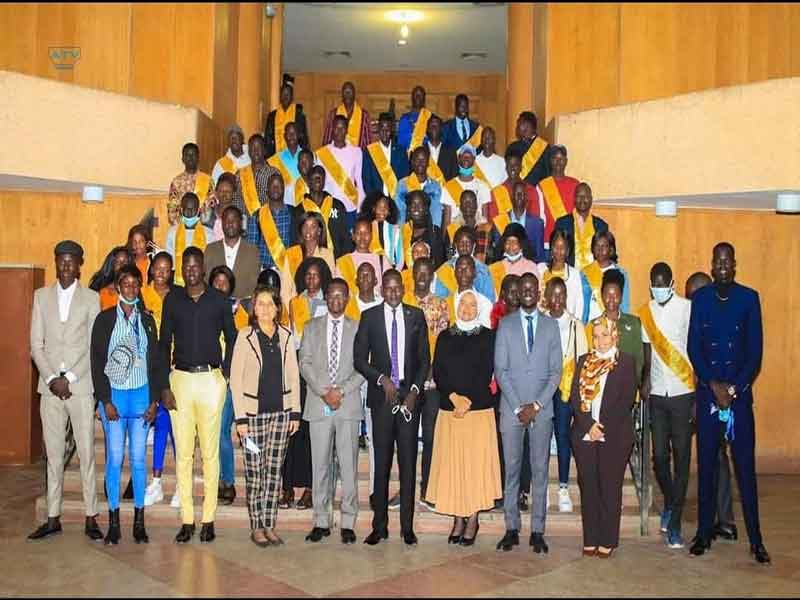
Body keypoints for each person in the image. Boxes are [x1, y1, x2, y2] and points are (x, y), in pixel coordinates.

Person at [687, 243, 770, 564]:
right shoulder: (702, 299)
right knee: (706, 468)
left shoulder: (749, 299)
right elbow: (694, 347)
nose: (722, 265)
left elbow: (755, 354)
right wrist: (712, 384)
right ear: (712, 264)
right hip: (709, 396)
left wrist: (733, 388)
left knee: (745, 470)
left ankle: (757, 541)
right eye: (717, 261)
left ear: (734, 265)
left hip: (738, 399)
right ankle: (703, 533)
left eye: (727, 261)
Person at [158, 246, 237, 544]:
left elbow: (232, 337)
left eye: (195, 266)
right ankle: (187, 520)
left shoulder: (219, 301)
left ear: (203, 268)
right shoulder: (173, 301)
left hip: (210, 381)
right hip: (179, 380)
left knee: (210, 453)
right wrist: (163, 385)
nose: (191, 270)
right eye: (186, 266)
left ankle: (209, 518)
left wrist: (226, 376)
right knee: (184, 456)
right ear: (182, 268)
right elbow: (164, 343)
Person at [28, 240, 104, 542]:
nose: (66, 266)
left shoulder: (91, 299)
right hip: (49, 389)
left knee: (86, 453)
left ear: (80, 264)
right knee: (54, 455)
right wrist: (51, 379)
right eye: (61, 261)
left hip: (81, 386)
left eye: (72, 261)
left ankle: (90, 516)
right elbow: (36, 345)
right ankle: (52, 517)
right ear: (56, 261)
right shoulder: (40, 297)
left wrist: (69, 377)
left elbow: (93, 345)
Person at [354, 269, 430, 546]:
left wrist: (414, 391)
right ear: (381, 289)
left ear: (403, 289)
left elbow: (424, 361)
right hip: (382, 402)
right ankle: (379, 526)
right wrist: (380, 378)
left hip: (409, 403)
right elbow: (359, 359)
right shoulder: (370, 317)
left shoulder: (415, 316)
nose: (394, 292)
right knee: (381, 466)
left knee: (408, 466)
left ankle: (407, 528)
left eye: (398, 288)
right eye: (389, 288)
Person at [90, 264, 160, 545]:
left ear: (139, 287)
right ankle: (114, 522)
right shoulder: (104, 320)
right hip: (115, 399)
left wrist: (155, 400)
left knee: (139, 461)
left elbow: (156, 362)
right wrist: (105, 400)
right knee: (116, 459)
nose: (130, 288)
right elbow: (96, 362)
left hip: (142, 396)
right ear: (118, 287)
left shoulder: (147, 320)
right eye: (125, 284)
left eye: (135, 284)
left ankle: (139, 523)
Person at [494, 272, 562, 554]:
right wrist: (520, 406)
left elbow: (556, 372)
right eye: (524, 288)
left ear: (539, 292)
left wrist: (536, 406)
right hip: (512, 410)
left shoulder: (550, 326)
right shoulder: (505, 325)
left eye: (533, 288)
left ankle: (537, 530)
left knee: (539, 471)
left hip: (541, 411)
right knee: (510, 470)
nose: (529, 292)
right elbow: (501, 369)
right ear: (519, 293)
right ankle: (511, 527)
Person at [230, 284, 301, 546]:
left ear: (277, 308)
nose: (265, 308)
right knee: (255, 471)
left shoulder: (285, 335)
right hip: (252, 417)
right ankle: (256, 525)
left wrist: (295, 411)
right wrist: (240, 419)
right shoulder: (244, 336)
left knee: (273, 472)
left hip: (281, 416)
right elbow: (235, 380)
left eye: (270, 303)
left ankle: (270, 525)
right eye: (260, 303)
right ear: (253, 308)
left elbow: (293, 374)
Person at [429, 290, 501, 545]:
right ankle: (457, 518)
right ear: (457, 306)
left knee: (474, 468)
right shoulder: (446, 337)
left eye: (472, 305)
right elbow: (438, 371)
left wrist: (467, 400)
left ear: (478, 309)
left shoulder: (488, 337)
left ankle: (472, 518)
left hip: (478, 411)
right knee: (454, 467)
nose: (467, 309)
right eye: (463, 304)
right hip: (451, 411)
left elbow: (488, 371)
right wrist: (453, 398)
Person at [300, 278, 366, 544]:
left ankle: (348, 521)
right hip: (319, 404)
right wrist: (324, 391)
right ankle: (321, 520)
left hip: (347, 404)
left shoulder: (359, 329)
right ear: (326, 297)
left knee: (348, 465)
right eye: (332, 295)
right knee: (320, 465)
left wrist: (341, 391)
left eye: (341, 295)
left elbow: (364, 365)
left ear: (347, 298)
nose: (336, 300)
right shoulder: (311, 327)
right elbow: (304, 362)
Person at [570, 316, 637, 558]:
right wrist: (588, 425)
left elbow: (626, 400)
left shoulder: (626, 363)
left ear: (615, 336)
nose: (600, 341)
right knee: (588, 488)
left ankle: (608, 539)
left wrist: (602, 427)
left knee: (610, 488)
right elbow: (575, 399)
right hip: (585, 435)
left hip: (614, 435)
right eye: (596, 336)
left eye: (605, 335)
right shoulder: (583, 361)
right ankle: (591, 538)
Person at [639, 262, 694, 549]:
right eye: (654, 283)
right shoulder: (645, 311)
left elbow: (693, 346)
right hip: (658, 393)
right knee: (659, 457)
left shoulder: (686, 308)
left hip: (683, 390)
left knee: (682, 458)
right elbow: (647, 350)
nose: (658, 287)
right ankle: (672, 501)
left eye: (663, 283)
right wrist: (645, 380)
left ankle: (674, 523)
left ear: (672, 283)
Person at [685, 272, 739, 543]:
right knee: (716, 456)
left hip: (715, 399)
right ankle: (721, 519)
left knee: (716, 455)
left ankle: (723, 521)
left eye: (692, 295)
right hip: (701, 397)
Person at [282, 257, 332, 510]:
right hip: (298, 376)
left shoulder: (330, 302)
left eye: (316, 275)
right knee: (294, 431)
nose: (312, 280)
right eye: (308, 276)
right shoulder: (295, 303)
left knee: (317, 434)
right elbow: (292, 340)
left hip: (322, 376)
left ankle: (313, 488)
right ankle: (288, 486)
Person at [401, 258, 450, 510]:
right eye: (417, 272)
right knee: (406, 437)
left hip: (431, 383)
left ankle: (427, 490)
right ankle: (405, 491)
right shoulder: (402, 302)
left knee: (430, 437)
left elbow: (442, 344)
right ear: (412, 275)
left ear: (432, 276)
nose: (421, 276)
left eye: (426, 272)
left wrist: (429, 373)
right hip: (406, 383)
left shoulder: (440, 305)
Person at [544, 276, 588, 513]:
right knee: (540, 439)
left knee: (562, 436)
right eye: (553, 294)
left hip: (565, 390)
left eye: (562, 295)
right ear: (546, 297)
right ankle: (540, 489)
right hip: (541, 389)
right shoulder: (540, 321)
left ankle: (563, 488)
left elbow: (582, 360)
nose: (557, 299)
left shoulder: (575, 325)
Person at [140, 252, 180, 508]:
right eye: (158, 268)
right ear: (152, 270)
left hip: (176, 365)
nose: (162, 273)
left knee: (173, 424)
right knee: (160, 423)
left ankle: (179, 484)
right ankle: (155, 483)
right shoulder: (142, 294)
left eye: (167, 269)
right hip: (150, 367)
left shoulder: (179, 295)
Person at [207, 265, 241, 505]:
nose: (220, 286)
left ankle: (227, 481)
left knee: (221, 430)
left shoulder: (239, 311)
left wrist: (229, 373)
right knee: (211, 430)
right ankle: (214, 476)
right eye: (216, 282)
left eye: (224, 282)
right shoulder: (201, 308)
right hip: (205, 378)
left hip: (228, 378)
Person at [586, 270, 643, 388]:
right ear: (602, 296)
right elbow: (588, 361)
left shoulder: (634, 324)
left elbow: (639, 359)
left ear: (621, 297)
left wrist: (636, 386)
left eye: (616, 295)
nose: (611, 299)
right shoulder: (592, 326)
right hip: (600, 387)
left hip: (627, 386)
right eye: (607, 295)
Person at [204, 205, 261, 300]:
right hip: (215, 307)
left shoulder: (252, 251)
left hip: (243, 308)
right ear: (222, 224)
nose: (230, 224)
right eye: (226, 220)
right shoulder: (210, 249)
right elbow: (206, 281)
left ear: (241, 223)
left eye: (234, 220)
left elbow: (254, 285)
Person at [294, 165, 352, 258]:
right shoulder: (299, 210)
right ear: (308, 182)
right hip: (309, 261)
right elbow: (295, 240)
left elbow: (346, 238)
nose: (317, 180)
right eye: (314, 178)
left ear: (324, 182)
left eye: (320, 177)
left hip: (336, 260)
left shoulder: (337, 205)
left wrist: (343, 262)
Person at [316, 114, 365, 220]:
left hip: (350, 206)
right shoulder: (322, 153)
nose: (339, 131)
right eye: (336, 128)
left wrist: (360, 207)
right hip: (330, 207)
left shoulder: (356, 152)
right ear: (332, 129)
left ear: (347, 130)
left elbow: (360, 181)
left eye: (342, 128)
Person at [246, 172, 296, 274]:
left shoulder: (294, 213)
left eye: (279, 185)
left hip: (288, 272)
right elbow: (251, 250)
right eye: (272, 186)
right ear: (267, 191)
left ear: (284, 189)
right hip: (263, 272)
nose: (276, 188)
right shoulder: (257, 216)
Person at [395, 145, 456, 229]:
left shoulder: (435, 186)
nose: (420, 163)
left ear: (428, 163)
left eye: (423, 160)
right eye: (417, 160)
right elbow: (400, 211)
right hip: (408, 230)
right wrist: (401, 233)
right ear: (412, 162)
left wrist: (434, 233)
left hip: (429, 231)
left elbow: (436, 212)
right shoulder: (402, 184)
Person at [554, 182, 609, 270]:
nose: (582, 199)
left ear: (591, 199)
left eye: (586, 196)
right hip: (569, 274)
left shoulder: (601, 225)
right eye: (579, 196)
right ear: (574, 199)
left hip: (594, 275)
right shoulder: (562, 223)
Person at [435, 226, 496, 302]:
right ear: (456, 245)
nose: (464, 247)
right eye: (461, 243)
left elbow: (489, 299)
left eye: (468, 243)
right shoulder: (444, 270)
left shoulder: (483, 270)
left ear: (474, 246)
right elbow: (439, 299)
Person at [580, 230, 631, 322]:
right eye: (597, 246)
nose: (600, 249)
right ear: (592, 249)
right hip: (592, 325)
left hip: (614, 324)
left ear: (611, 249)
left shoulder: (621, 273)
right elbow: (582, 305)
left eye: (604, 246)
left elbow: (625, 305)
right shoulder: (584, 273)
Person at [166, 192, 215, 286]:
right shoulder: (172, 233)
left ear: (199, 211)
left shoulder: (209, 234)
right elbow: (171, 264)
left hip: (202, 284)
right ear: (180, 210)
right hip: (178, 284)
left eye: (193, 209)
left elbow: (210, 264)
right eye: (186, 209)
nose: (189, 213)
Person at [490, 181, 546, 264]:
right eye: (517, 194)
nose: (519, 197)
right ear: (511, 197)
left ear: (526, 198)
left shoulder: (537, 224)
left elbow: (539, 256)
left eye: (522, 194)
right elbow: (498, 254)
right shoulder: (500, 221)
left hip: (528, 271)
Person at [534, 144, 578, 249]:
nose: (558, 162)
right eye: (555, 158)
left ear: (566, 161)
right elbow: (539, 219)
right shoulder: (541, 186)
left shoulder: (575, 184)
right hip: (548, 243)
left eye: (561, 159)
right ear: (550, 161)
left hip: (570, 241)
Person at [283, 211, 337, 296]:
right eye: (305, 226)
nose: (308, 230)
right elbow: (285, 288)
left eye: (313, 227)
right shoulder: (291, 253)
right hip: (296, 303)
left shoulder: (327, 254)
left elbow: (329, 284)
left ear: (319, 231)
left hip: (320, 304)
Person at [336, 216, 391, 297]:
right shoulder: (343, 262)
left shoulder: (382, 260)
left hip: (376, 306)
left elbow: (389, 286)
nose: (362, 237)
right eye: (358, 233)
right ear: (353, 236)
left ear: (372, 235)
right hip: (352, 307)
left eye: (366, 233)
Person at [537, 228, 584, 320]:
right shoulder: (540, 269)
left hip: (565, 323)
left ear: (568, 251)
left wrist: (574, 324)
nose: (559, 251)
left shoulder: (574, 274)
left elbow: (579, 305)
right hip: (542, 322)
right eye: (556, 247)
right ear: (551, 248)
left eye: (563, 248)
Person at [362, 112, 410, 199]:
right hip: (376, 200)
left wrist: (399, 197)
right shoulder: (369, 151)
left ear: (392, 130)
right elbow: (366, 180)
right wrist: (374, 200)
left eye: (387, 129)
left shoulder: (401, 151)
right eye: (382, 129)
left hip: (396, 200)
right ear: (378, 129)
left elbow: (405, 178)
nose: (384, 132)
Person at [234, 134, 280, 218]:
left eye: (259, 147)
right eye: (252, 148)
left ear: (265, 150)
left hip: (269, 220)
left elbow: (278, 201)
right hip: (244, 223)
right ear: (248, 152)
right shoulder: (240, 174)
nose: (255, 151)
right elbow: (236, 199)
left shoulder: (274, 173)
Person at [168, 142, 213, 227]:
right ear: (183, 159)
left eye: (193, 155)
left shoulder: (208, 180)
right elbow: (172, 211)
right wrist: (184, 227)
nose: (191, 158)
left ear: (198, 158)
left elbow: (212, 206)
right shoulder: (176, 182)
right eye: (187, 155)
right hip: (182, 229)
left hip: (204, 228)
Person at [488, 223, 539, 298]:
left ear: (522, 245)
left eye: (515, 242)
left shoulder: (531, 267)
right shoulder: (494, 268)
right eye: (508, 241)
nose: (511, 245)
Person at [445, 144, 492, 224]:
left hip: (477, 230)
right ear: (459, 159)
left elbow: (485, 219)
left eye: (469, 156)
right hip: (455, 231)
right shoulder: (448, 186)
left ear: (474, 160)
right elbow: (447, 220)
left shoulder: (483, 186)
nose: (466, 158)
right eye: (464, 156)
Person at [264, 73, 308, 157]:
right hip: (275, 157)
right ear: (280, 96)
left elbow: (303, 138)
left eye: (288, 94)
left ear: (292, 96)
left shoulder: (299, 115)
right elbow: (268, 139)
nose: (285, 97)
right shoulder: (272, 116)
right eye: (283, 94)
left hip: (295, 156)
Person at [402, 190, 447, 270]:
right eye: (413, 204)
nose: (416, 208)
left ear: (426, 209)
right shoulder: (401, 232)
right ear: (408, 209)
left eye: (420, 204)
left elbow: (440, 265)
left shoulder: (435, 232)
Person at [321, 81, 373, 150]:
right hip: (336, 156)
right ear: (342, 95)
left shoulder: (364, 115)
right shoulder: (333, 114)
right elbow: (327, 140)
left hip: (356, 157)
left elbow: (368, 142)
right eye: (345, 92)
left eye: (350, 92)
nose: (347, 94)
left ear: (354, 94)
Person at [505, 111, 551, 188]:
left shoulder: (544, 147)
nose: (517, 127)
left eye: (519, 124)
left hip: (537, 193)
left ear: (526, 125)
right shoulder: (512, 147)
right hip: (515, 192)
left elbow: (548, 174)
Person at [447, 190, 494, 264]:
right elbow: (449, 254)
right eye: (465, 202)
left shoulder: (487, 227)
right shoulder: (452, 228)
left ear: (476, 205)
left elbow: (491, 255)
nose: (468, 205)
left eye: (471, 202)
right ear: (460, 206)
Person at [361, 193, 404, 269]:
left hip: (390, 271)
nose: (382, 210)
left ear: (389, 211)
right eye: (379, 206)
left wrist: (395, 273)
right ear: (373, 208)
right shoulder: (367, 228)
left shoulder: (395, 229)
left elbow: (400, 259)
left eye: (385, 207)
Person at [267, 122, 303, 197]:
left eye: (294, 133)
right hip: (284, 201)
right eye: (288, 133)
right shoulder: (275, 159)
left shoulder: (308, 156)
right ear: (284, 136)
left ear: (299, 135)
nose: (291, 136)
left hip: (303, 201)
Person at [397, 85, 432, 154]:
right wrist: (413, 134)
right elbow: (400, 143)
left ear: (424, 98)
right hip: (408, 157)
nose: (418, 97)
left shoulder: (430, 118)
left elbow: (433, 141)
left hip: (426, 157)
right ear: (412, 98)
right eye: (416, 95)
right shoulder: (405, 119)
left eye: (420, 95)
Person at [425, 114, 458, 184]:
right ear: (427, 129)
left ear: (441, 129)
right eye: (431, 125)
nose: (434, 127)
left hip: (445, 192)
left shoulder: (450, 151)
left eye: (436, 126)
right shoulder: (420, 151)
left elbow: (454, 176)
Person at [206, 173, 240, 239]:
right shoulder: (208, 215)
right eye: (221, 191)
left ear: (233, 194)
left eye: (228, 191)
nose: (224, 194)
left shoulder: (239, 215)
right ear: (216, 193)